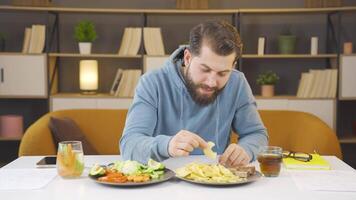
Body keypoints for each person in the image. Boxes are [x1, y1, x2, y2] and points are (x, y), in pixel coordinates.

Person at [120, 21, 268, 167]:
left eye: (222, 73)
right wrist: (167, 145)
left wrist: (246, 149)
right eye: (205, 69)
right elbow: (130, 145)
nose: (211, 82)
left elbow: (256, 134)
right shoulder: (152, 83)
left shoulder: (237, 82)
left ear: (232, 66)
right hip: (164, 181)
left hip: (216, 181)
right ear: (188, 58)